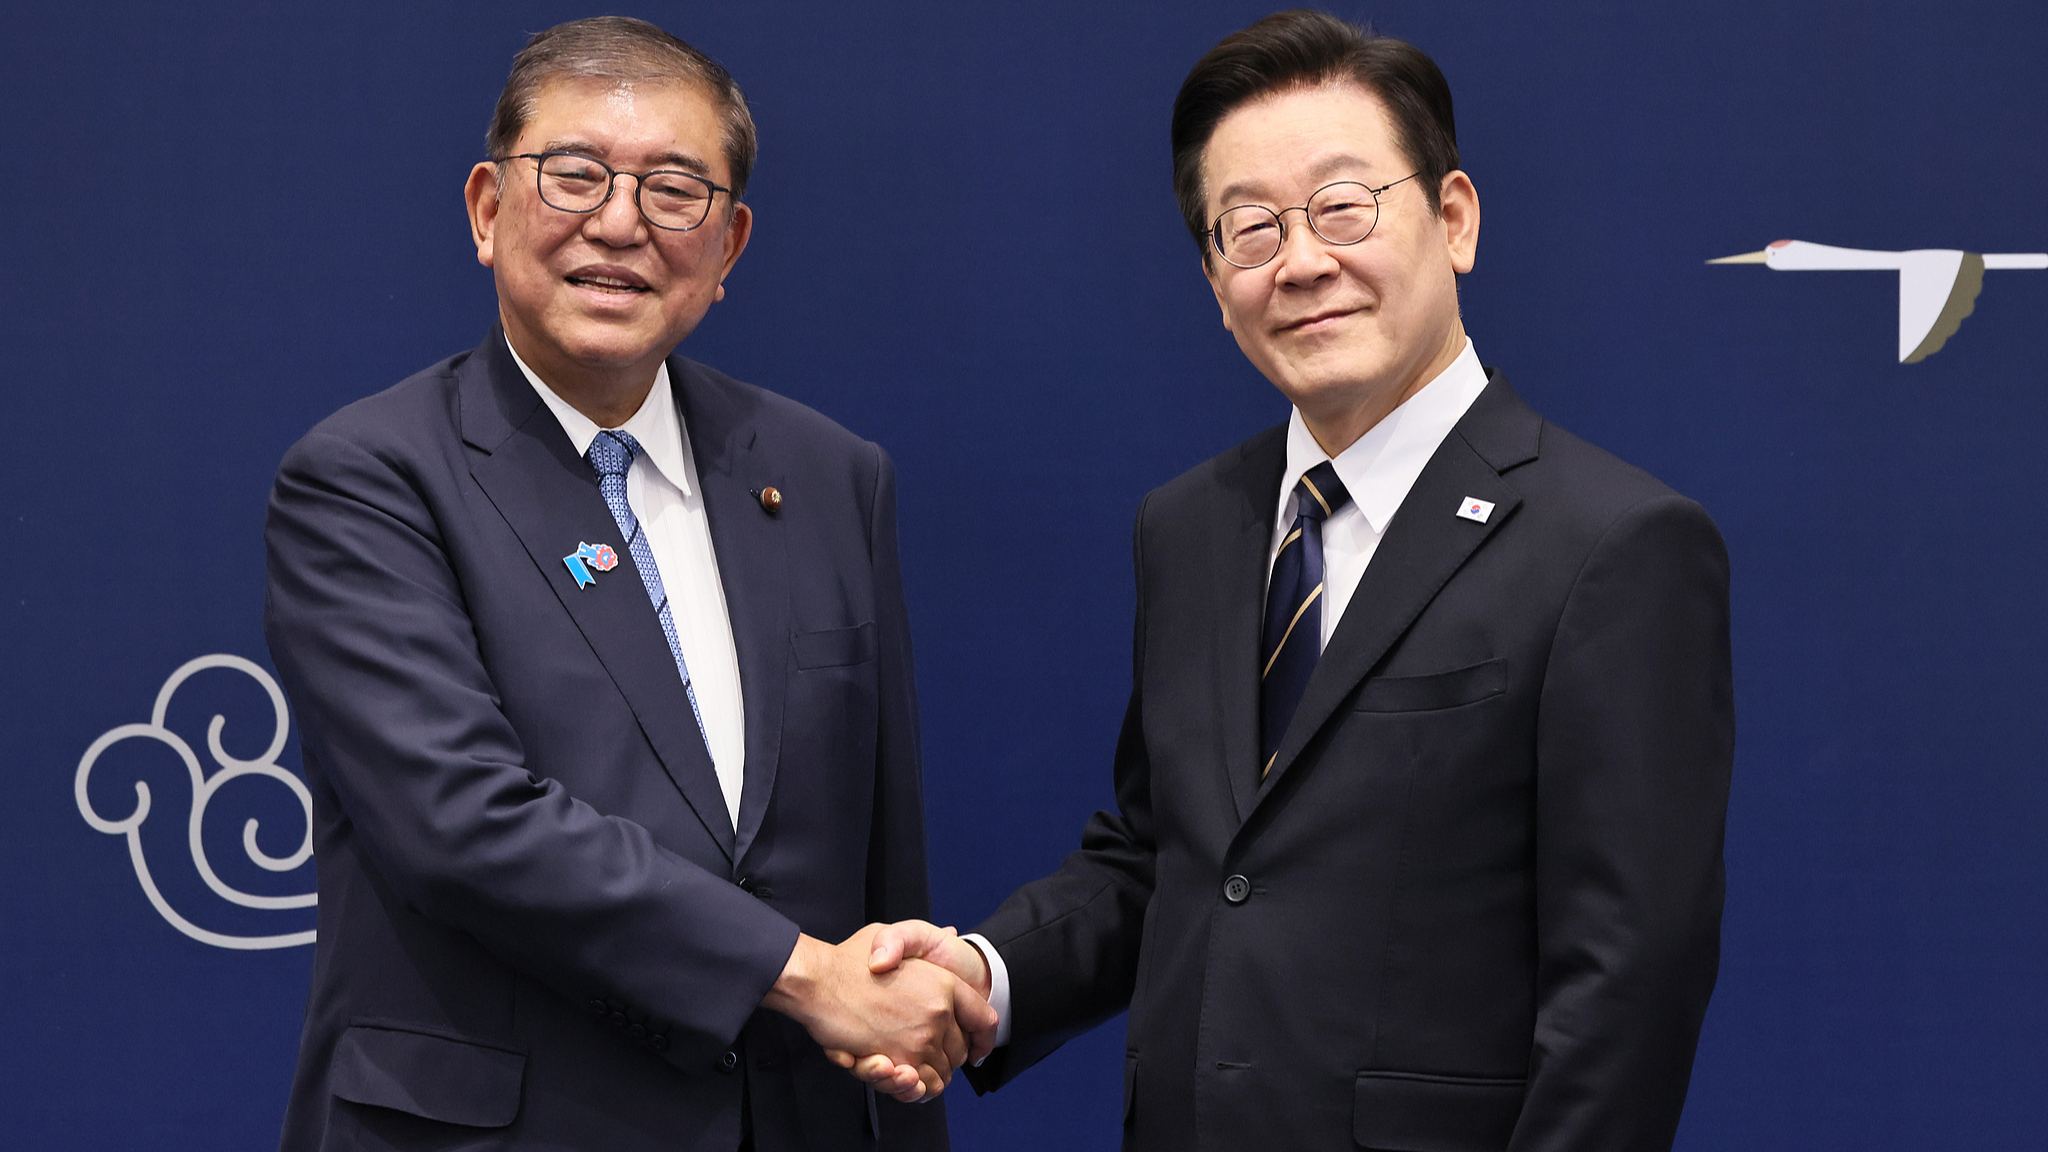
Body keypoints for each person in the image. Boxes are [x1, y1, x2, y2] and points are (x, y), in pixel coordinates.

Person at [855, 11, 1734, 1151]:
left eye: (1342, 206)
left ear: (1454, 219)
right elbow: (1171, 855)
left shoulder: (1613, 543)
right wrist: (985, 973)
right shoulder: (1189, 526)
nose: (1303, 262)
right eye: (1251, 228)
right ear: (1215, 278)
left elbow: (1626, 989)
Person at [263, 17, 989, 1152]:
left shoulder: (828, 474)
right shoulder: (369, 478)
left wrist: (892, 1031)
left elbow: (877, 855)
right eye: (575, 174)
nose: (618, 223)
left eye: (674, 190)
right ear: (487, 209)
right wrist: (804, 975)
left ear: (729, 244)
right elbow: (462, 824)